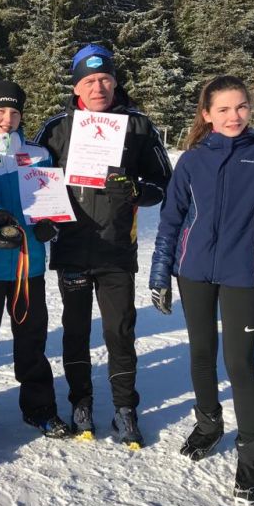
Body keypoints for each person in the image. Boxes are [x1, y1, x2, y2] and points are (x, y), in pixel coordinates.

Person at [149, 75, 254, 504]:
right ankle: (209, 423)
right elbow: (171, 221)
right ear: (207, 114)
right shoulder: (192, 161)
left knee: (239, 362)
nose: (234, 116)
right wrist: (161, 273)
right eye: (224, 109)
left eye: (242, 107)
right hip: (192, 272)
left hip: (241, 275)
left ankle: (253, 450)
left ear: (250, 109)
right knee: (200, 353)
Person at [34, 44, 172, 447]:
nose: (99, 87)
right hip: (73, 247)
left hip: (116, 250)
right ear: (77, 85)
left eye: (106, 79)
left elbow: (164, 183)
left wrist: (137, 190)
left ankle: (125, 408)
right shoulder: (57, 128)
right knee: (75, 331)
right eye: (90, 80)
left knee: (120, 330)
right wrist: (43, 219)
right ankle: (81, 402)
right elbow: (37, 183)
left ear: (115, 81)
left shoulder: (139, 126)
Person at [0, 80, 72, 438]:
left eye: (13, 112)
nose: (6, 119)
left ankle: (39, 408)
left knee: (31, 338)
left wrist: (50, 224)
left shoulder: (38, 154)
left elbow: (51, 196)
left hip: (29, 263)